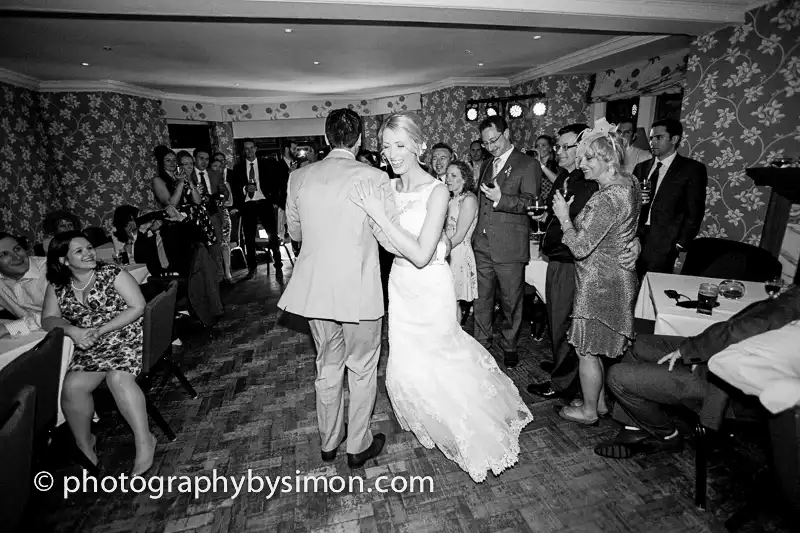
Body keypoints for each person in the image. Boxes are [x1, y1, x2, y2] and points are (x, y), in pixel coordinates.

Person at [351, 112, 533, 483]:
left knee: (441, 354)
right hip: (401, 286)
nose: (391, 153)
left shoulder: (436, 190)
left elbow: (420, 254)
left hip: (430, 286)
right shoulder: (389, 189)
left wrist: (381, 221)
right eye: (386, 146)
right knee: (408, 359)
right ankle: (433, 421)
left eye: (400, 144)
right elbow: (392, 247)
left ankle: (469, 424)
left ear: (417, 146)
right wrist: (380, 227)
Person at [278, 109, 401, 469]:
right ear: (360, 138)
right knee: (361, 369)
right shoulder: (376, 177)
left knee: (327, 366)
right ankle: (358, 445)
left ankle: (329, 442)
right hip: (360, 290)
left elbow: (296, 234)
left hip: (316, 291)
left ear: (326, 136)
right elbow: (388, 237)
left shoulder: (299, 177)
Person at [595, 285, 800, 459]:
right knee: (638, 344)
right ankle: (634, 427)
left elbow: (742, 330)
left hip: (726, 383)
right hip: (716, 353)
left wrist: (692, 351)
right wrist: (696, 350)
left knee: (617, 376)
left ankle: (667, 435)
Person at [41, 231, 155, 476]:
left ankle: (145, 440)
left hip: (125, 335)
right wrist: (72, 330)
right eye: (79, 251)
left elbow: (138, 306)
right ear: (63, 260)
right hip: (91, 344)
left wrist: (100, 329)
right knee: (72, 387)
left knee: (118, 379)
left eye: (89, 247)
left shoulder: (112, 273)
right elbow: (48, 319)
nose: (89, 253)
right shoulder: (58, 285)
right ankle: (86, 444)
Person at [551, 119, 641, 426]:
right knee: (597, 348)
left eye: (588, 158)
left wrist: (564, 218)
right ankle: (599, 403)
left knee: (586, 349)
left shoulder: (606, 198)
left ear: (607, 159)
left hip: (600, 282)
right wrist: (635, 242)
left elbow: (580, 247)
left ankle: (588, 412)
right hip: (618, 277)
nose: (582, 164)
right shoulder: (630, 185)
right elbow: (626, 228)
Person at [472, 115, 541, 368]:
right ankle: (481, 343)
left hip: (510, 247)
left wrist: (503, 198)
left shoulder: (527, 164)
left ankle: (509, 343)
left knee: (511, 301)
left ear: (507, 133)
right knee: (481, 299)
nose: (490, 147)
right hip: (482, 245)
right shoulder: (487, 164)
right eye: (485, 143)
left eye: (494, 140)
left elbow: (531, 203)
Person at [634, 118, 707, 276]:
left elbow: (695, 210)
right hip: (635, 236)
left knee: (652, 287)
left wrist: (681, 243)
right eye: (652, 137)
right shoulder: (641, 168)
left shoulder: (692, 169)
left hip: (664, 241)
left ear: (674, 139)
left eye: (659, 137)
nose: (653, 142)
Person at [444, 161, 478, 324]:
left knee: (453, 300)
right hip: (448, 250)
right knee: (446, 301)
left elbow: (459, 235)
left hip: (457, 253)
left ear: (464, 179)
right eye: (447, 175)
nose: (448, 179)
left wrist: (439, 252)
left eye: (453, 176)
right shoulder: (451, 198)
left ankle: (454, 338)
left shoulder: (469, 199)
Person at [0, 232, 48, 337]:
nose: (16, 257)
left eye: (17, 249)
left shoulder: (51, 270)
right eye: (3, 254)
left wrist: (9, 327)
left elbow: (61, 315)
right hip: (30, 338)